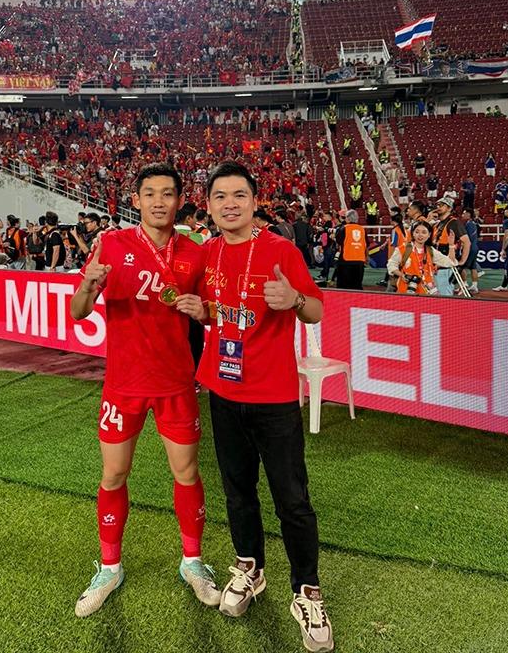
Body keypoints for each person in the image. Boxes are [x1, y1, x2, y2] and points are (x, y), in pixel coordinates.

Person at [176, 161, 333, 652]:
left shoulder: (280, 250)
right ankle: (250, 569)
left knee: (292, 501)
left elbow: (316, 309)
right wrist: (201, 311)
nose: (230, 204)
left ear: (254, 201)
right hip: (223, 393)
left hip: (274, 397)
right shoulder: (208, 252)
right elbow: (217, 311)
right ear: (209, 205)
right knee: (238, 492)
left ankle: (307, 592)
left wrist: (294, 300)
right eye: (220, 196)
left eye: (239, 195)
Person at [69, 163, 219, 618]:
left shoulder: (195, 252)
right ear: (135, 200)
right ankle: (109, 568)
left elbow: (214, 311)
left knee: (186, 473)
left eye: (167, 193)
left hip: (176, 383)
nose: (158, 201)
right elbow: (78, 311)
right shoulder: (112, 244)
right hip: (124, 385)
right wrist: (89, 285)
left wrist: (203, 310)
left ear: (180, 201)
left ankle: (192, 563)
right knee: (114, 474)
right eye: (149, 193)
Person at [387, 220, 457, 296]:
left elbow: (450, 262)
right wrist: (402, 275)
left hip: (427, 293)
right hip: (406, 291)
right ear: (413, 233)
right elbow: (391, 265)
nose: (420, 235)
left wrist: (451, 245)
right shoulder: (403, 249)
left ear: (429, 234)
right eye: (417, 232)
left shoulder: (430, 250)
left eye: (424, 232)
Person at [431, 197, 470, 296]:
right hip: (436, 266)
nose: (438, 207)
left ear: (449, 208)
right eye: (438, 205)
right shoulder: (438, 224)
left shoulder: (453, 223)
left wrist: (462, 261)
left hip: (446, 267)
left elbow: (467, 242)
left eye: (442, 205)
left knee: (445, 297)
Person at [334, 209, 367, 290]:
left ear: (348, 218)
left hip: (346, 260)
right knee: (357, 286)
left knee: (343, 287)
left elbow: (339, 241)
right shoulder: (362, 229)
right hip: (360, 260)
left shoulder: (343, 228)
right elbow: (366, 244)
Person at [461, 209, 479, 294]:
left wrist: (463, 247)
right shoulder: (473, 223)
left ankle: (464, 285)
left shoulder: (469, 224)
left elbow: (468, 239)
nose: (462, 215)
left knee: (462, 266)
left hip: (469, 248)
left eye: (464, 213)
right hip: (475, 247)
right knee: (473, 267)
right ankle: (474, 286)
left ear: (468, 214)